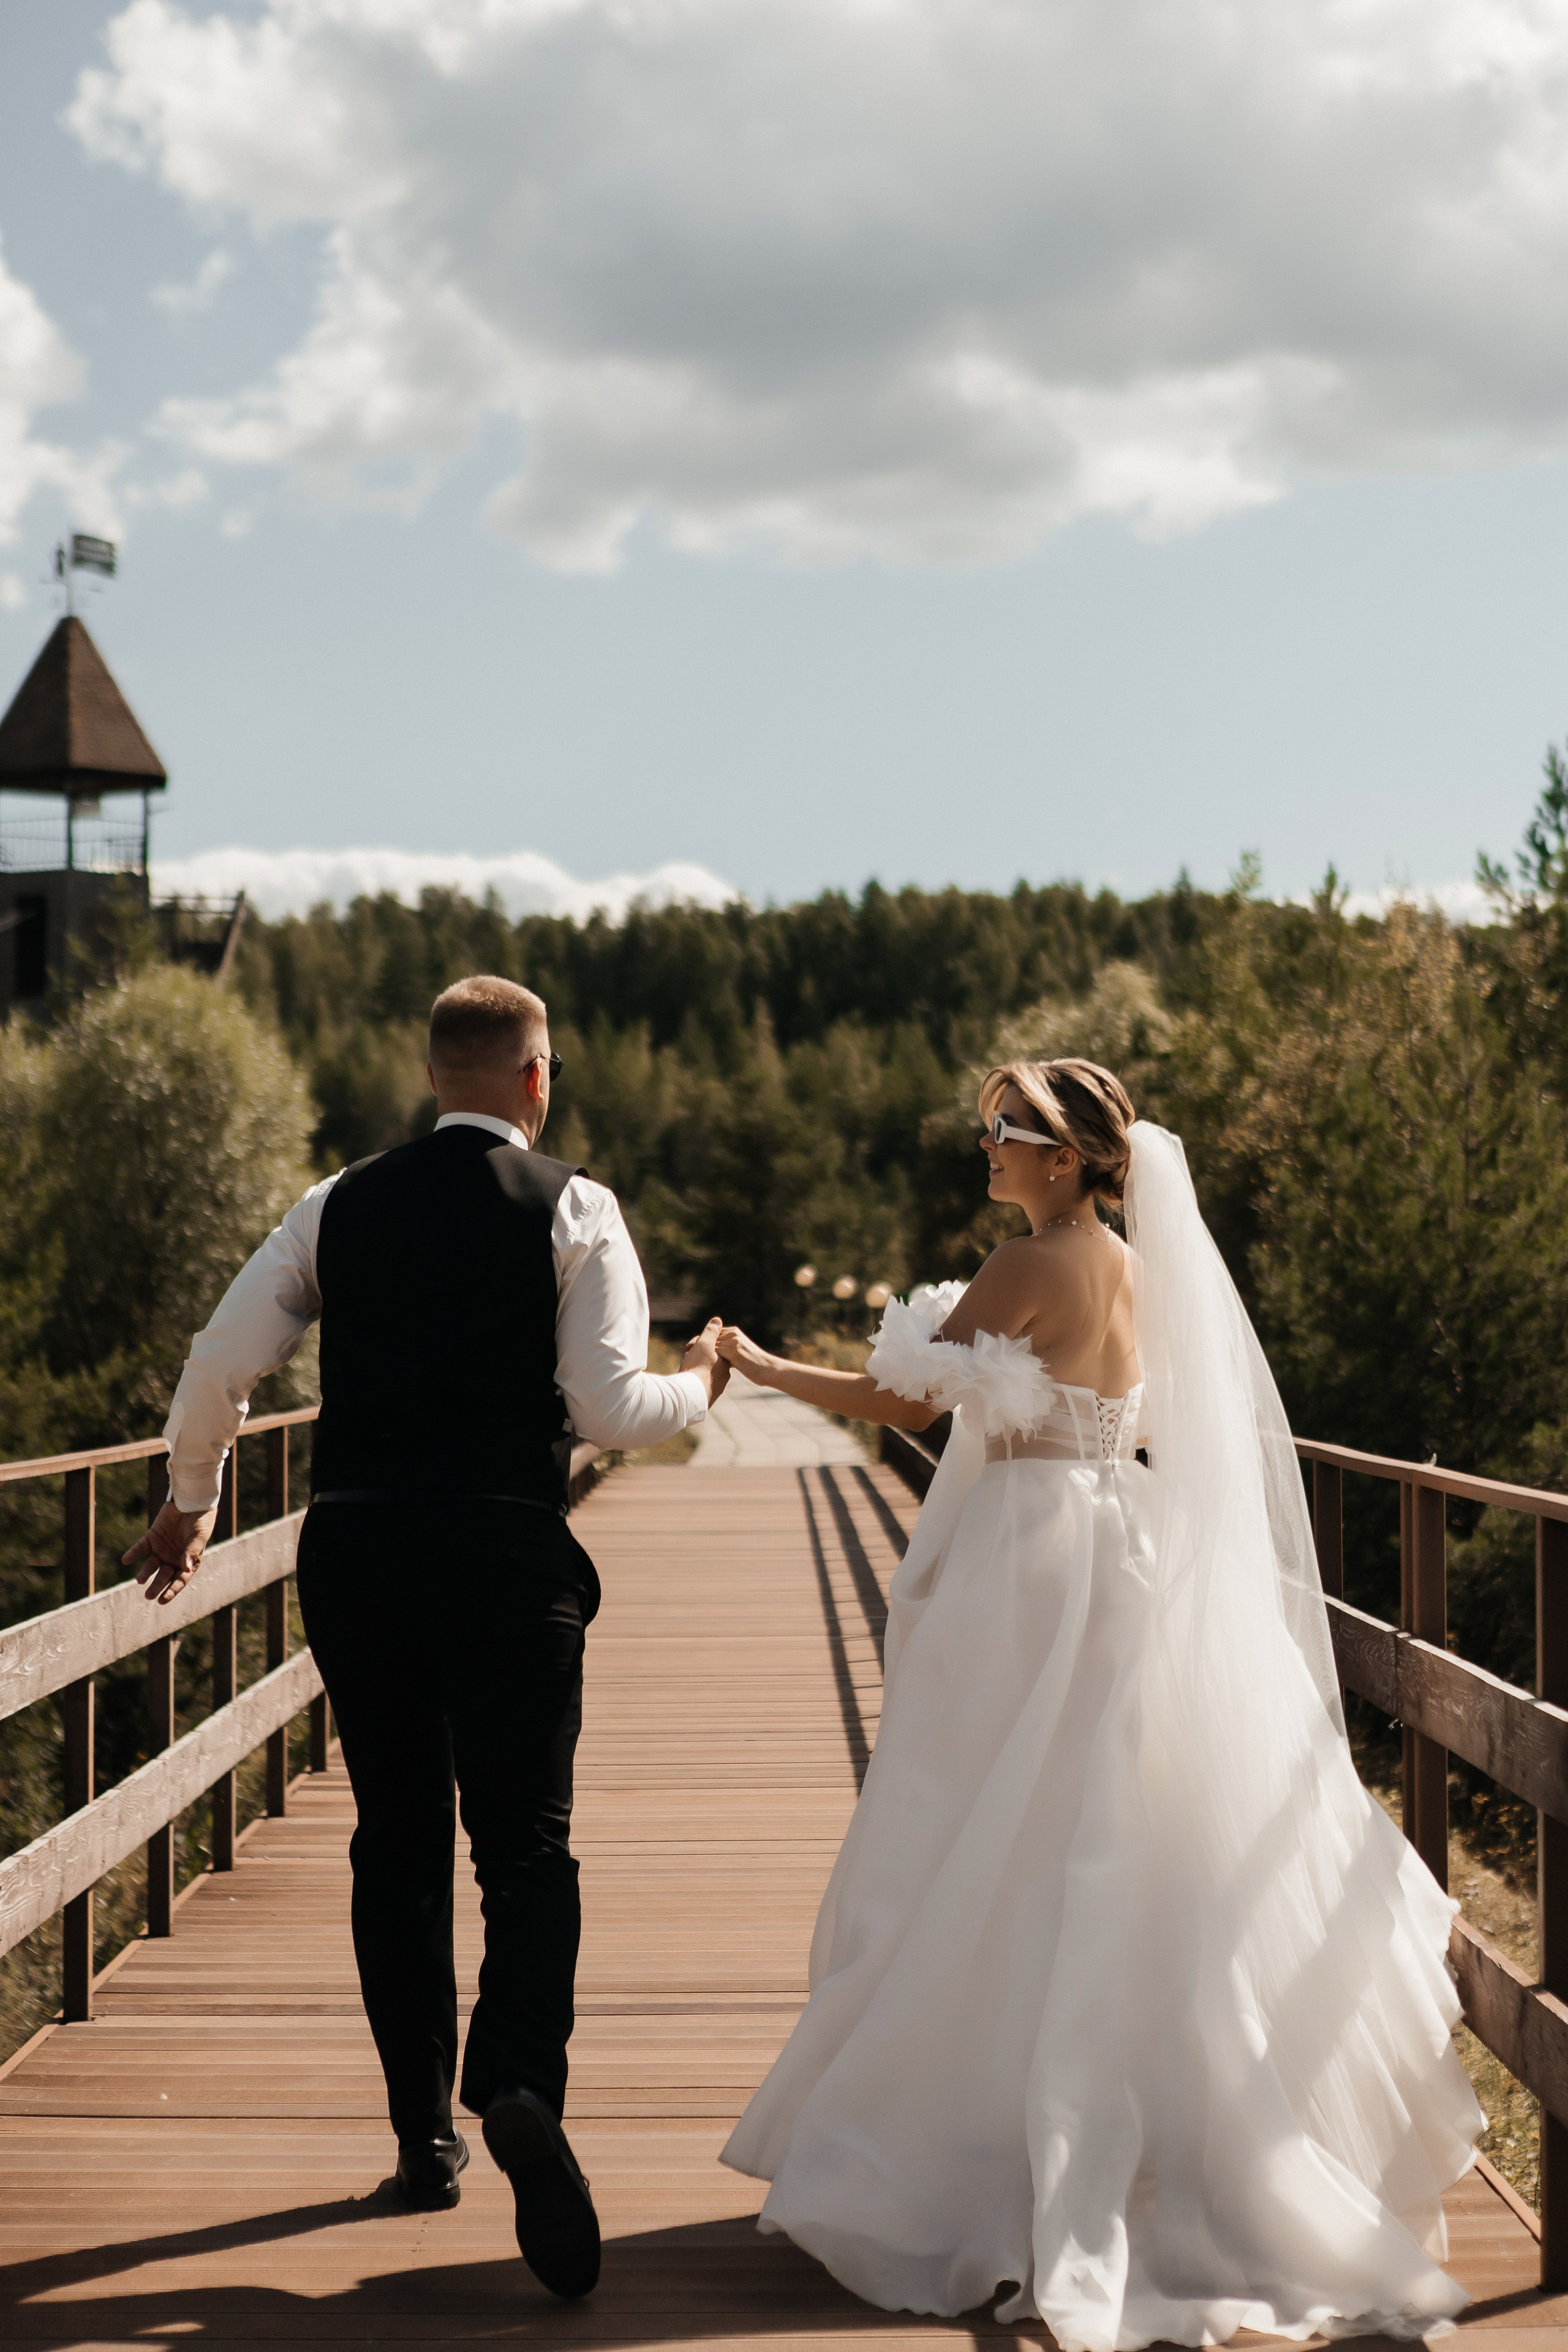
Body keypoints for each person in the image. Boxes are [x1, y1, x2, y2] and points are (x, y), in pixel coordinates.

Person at [715, 1058, 1483, 2351]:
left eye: (1002, 1136)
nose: (986, 1154)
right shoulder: (1130, 1263)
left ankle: (981, 2148)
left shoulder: (1029, 1266)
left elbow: (905, 1399)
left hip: (1028, 1568)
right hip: (1108, 1542)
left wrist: (760, 1364)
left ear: (1062, 1156)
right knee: (1107, 1845)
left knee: (990, 1842)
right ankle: (1124, 2131)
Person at [123, 974, 728, 2301]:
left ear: (431, 1075)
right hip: (506, 1548)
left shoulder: (337, 1203)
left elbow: (224, 1362)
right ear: (536, 1079)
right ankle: (512, 2079)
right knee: (525, 1845)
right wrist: (706, 1385)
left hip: (359, 1549)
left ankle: (422, 2138)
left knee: (396, 1833)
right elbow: (609, 1406)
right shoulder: (574, 1205)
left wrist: (188, 1505)